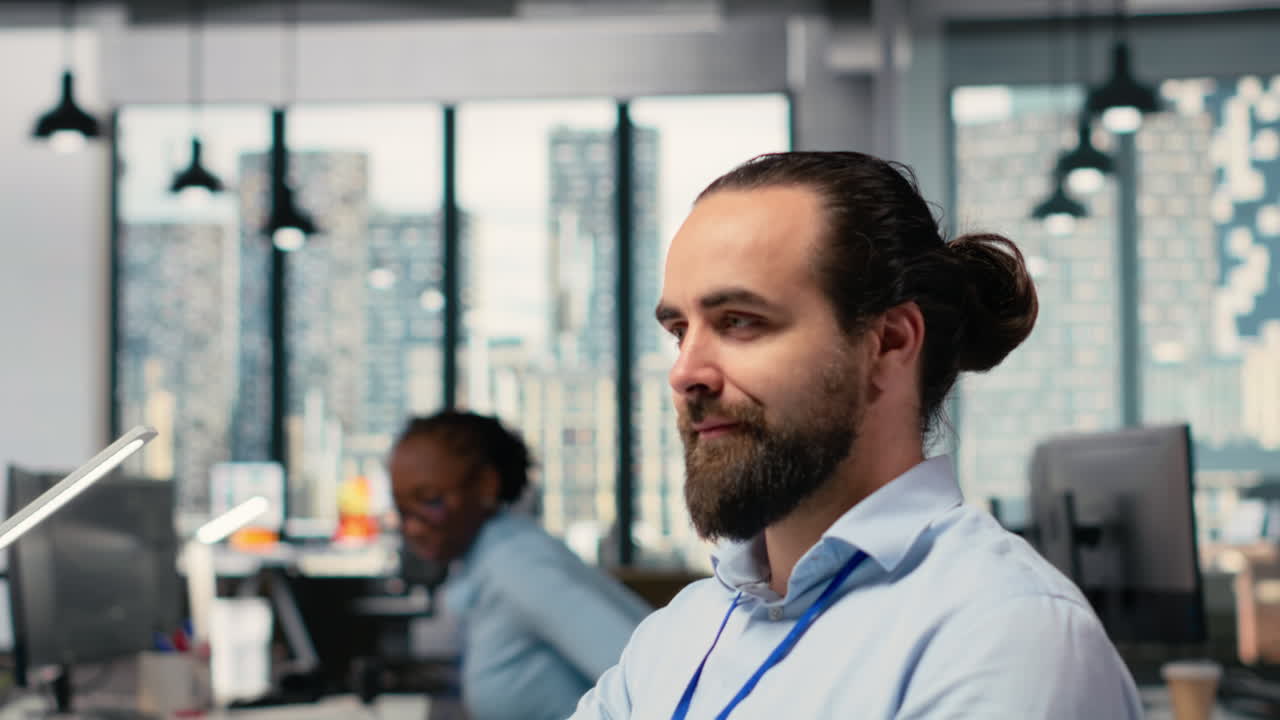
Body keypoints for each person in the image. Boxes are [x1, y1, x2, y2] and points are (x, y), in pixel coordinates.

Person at [570, 151, 1143, 719]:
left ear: (889, 343)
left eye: (739, 322)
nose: (685, 372)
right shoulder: (679, 633)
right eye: (678, 331)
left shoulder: (1006, 634)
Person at [389, 410, 652, 720]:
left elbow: (655, 683)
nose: (413, 528)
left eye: (430, 500)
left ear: (486, 485)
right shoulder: (487, 559)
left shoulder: (517, 565)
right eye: (402, 509)